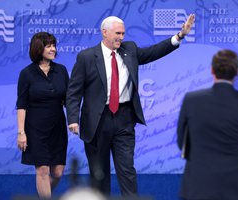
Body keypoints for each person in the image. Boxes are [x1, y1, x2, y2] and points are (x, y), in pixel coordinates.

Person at [66, 15, 195, 196]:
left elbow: (154, 52)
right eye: (117, 33)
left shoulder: (130, 50)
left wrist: (179, 36)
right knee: (99, 175)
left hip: (124, 119)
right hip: (96, 122)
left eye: (123, 33)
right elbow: (74, 91)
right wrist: (73, 118)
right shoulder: (86, 57)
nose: (121, 37)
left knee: (127, 171)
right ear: (104, 32)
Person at [177, 49, 238, 200]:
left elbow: (182, 144)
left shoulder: (191, 100)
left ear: (211, 70)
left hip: (199, 187)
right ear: (237, 72)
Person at [16, 32, 69, 198]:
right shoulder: (27, 73)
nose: (53, 49)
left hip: (58, 127)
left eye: (54, 45)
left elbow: (69, 100)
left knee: (58, 172)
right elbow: (21, 105)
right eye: (48, 46)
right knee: (43, 170)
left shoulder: (61, 70)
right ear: (38, 48)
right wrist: (21, 132)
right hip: (35, 129)